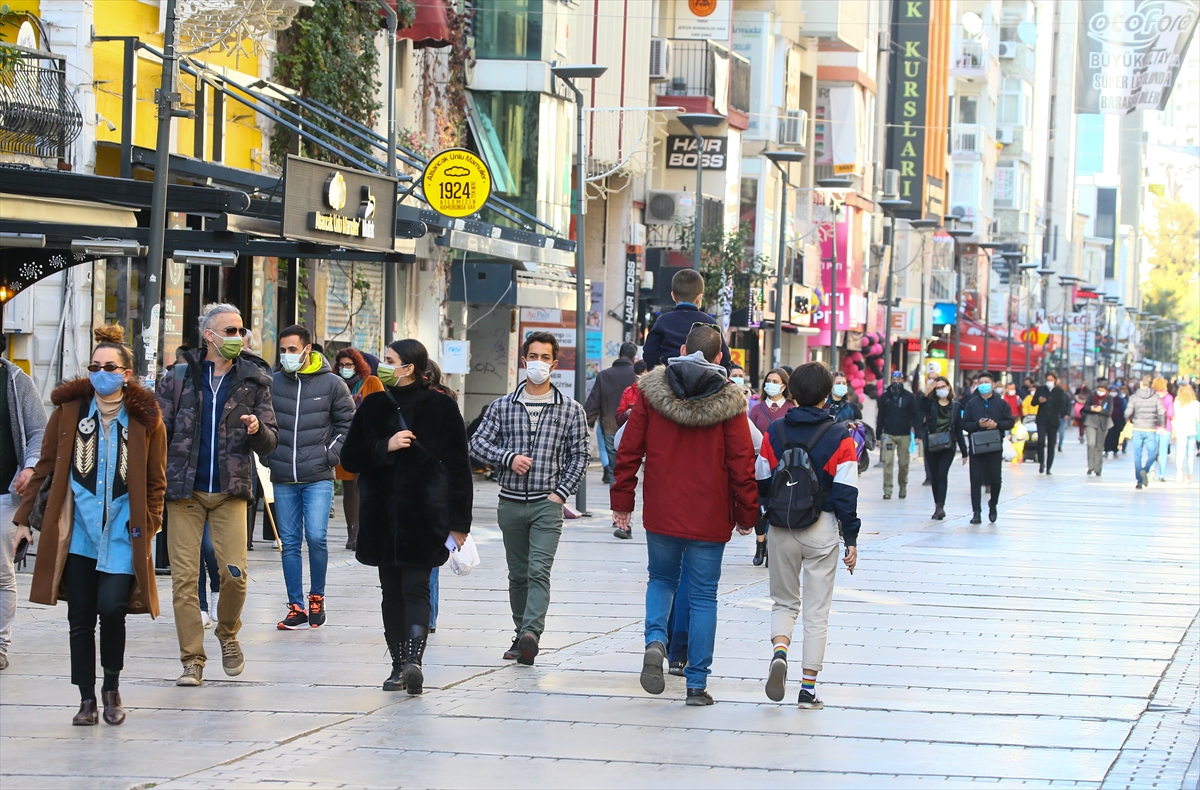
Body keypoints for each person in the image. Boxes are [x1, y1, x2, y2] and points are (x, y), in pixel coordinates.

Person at [14, 325, 166, 725]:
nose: (101, 373)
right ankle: (86, 699)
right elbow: (44, 467)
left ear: (126, 374)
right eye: (95, 366)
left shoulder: (146, 419)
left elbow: (156, 481)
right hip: (77, 533)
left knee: (112, 607)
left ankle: (111, 686)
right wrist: (24, 521)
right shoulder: (69, 413)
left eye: (110, 366)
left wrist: (149, 523)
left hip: (122, 533)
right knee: (80, 616)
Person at [611, 324, 758, 706]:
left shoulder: (650, 391)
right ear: (720, 357)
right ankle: (696, 684)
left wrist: (623, 501)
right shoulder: (731, 399)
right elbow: (742, 462)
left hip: (662, 508)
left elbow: (629, 449)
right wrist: (747, 513)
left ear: (680, 348)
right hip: (710, 516)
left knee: (660, 579)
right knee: (704, 596)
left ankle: (656, 642)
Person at [339, 339, 472, 694]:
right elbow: (349, 457)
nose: (383, 365)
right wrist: (385, 446)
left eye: (389, 360)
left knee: (416, 588)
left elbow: (459, 469)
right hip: (382, 515)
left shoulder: (442, 407)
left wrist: (460, 524)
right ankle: (398, 665)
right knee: (391, 592)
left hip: (424, 516)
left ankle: (413, 662)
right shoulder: (373, 405)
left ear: (409, 367)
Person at [157, 303, 278, 687]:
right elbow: (158, 433)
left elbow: (271, 442)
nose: (238, 337)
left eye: (241, 330)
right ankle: (192, 660)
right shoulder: (177, 378)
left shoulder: (254, 380)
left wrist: (257, 428)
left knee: (235, 574)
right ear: (209, 335)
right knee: (184, 580)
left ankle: (227, 632)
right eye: (230, 330)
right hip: (185, 491)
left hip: (231, 491)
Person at [468, 331, 589, 665]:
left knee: (538, 571)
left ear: (555, 362)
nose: (538, 363)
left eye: (545, 357)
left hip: (546, 505)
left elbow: (580, 455)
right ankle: (520, 634)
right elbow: (476, 444)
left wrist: (560, 494)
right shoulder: (503, 406)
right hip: (510, 503)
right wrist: (508, 458)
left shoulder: (570, 410)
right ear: (524, 361)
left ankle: (532, 632)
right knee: (517, 574)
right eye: (532, 356)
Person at [756, 362, 860, 710]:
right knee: (817, 612)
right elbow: (846, 492)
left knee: (784, 602)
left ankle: (780, 651)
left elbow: (761, 480)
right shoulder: (840, 435)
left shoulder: (775, 431)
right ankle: (807, 689)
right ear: (827, 393)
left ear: (792, 392)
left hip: (782, 527)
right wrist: (852, 538)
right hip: (821, 528)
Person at [268, 326, 355, 630]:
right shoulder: (272, 382)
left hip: (318, 475)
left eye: (292, 350)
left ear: (307, 350)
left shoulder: (332, 384)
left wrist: (328, 456)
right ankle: (295, 606)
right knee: (289, 543)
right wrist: (269, 455)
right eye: (283, 350)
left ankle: (317, 595)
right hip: (282, 476)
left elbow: (349, 426)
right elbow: (264, 423)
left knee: (316, 536)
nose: (287, 356)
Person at [0, 336, 47, 672]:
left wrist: (30, 466)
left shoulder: (16, 381)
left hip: (5, 495)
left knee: (2, 573)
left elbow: (38, 432)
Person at [333, 348, 384, 551]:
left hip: (366, 441)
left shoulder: (371, 382)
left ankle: (361, 531)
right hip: (344, 441)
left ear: (358, 365)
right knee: (348, 489)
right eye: (342, 365)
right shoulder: (336, 383)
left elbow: (381, 409)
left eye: (349, 365)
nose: (345, 369)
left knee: (359, 486)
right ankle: (351, 531)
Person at [641, 269, 731, 370]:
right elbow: (725, 358)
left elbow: (649, 352)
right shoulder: (710, 323)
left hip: (670, 378)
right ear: (699, 298)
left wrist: (659, 371)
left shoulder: (663, 321)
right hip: (705, 379)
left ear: (673, 296)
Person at [961, 373, 1014, 524]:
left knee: (995, 479)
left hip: (994, 445)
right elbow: (965, 424)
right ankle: (976, 511)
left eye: (987, 382)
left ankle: (993, 504)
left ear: (993, 384)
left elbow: (1010, 422)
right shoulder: (972, 403)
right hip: (977, 445)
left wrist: (996, 425)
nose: (983, 385)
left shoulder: (1001, 403)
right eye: (981, 382)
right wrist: (978, 424)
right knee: (975, 479)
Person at [584, 343, 638, 490]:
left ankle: (615, 504)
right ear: (634, 358)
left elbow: (594, 401)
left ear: (619, 356)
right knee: (630, 469)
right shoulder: (638, 376)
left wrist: (585, 420)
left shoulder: (604, 375)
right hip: (633, 428)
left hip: (610, 427)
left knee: (615, 470)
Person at [922, 376, 969, 520]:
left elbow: (959, 430)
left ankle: (940, 506)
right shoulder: (930, 404)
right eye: (938, 388)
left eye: (943, 386)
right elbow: (919, 407)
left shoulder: (956, 407)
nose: (941, 390)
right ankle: (937, 504)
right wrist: (925, 393)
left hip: (949, 445)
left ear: (949, 387)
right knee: (935, 477)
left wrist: (964, 452)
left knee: (942, 475)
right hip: (932, 444)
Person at [876, 370, 922, 500]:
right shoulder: (885, 397)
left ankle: (903, 486)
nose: (896, 383)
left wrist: (918, 433)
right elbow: (880, 417)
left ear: (902, 381)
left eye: (899, 380)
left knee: (903, 463)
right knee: (888, 462)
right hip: (888, 434)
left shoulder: (909, 396)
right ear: (891, 381)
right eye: (894, 380)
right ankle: (887, 489)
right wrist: (878, 436)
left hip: (904, 434)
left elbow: (915, 415)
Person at [1126, 375, 1166, 489]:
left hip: (1138, 428)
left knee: (1137, 455)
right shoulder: (1156, 397)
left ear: (1141, 384)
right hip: (1150, 429)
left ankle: (1139, 480)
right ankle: (1145, 470)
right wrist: (1162, 425)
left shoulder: (1134, 397)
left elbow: (1127, 412)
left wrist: (1131, 419)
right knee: (1153, 454)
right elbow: (1162, 411)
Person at [1032, 372, 1068, 474]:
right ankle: (1041, 463)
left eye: (1051, 380)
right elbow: (1033, 402)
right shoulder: (1041, 389)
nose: (1049, 382)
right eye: (1048, 380)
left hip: (1053, 420)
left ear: (1055, 380)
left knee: (1051, 444)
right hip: (1042, 419)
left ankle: (1049, 467)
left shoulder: (1059, 391)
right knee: (1041, 441)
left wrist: (1061, 414)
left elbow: (1063, 405)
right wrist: (1039, 400)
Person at [1082, 383, 1113, 476]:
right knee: (1091, 444)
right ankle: (1090, 466)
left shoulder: (1109, 398)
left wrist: (1101, 410)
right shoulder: (1092, 396)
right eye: (1099, 389)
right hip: (1091, 421)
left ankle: (1098, 468)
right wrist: (1091, 408)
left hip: (1103, 423)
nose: (1100, 392)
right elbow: (1085, 407)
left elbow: (1109, 412)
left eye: (1103, 390)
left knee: (1099, 446)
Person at [750, 369, 794, 434]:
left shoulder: (792, 409)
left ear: (784, 386)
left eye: (775, 382)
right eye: (768, 381)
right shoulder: (756, 409)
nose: (770, 384)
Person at [1174, 385, 1198, 484]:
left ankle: (1179, 471)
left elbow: (1175, 415)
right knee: (1190, 453)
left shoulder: (1177, 403)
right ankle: (1189, 474)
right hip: (1191, 430)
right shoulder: (1195, 404)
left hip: (1180, 430)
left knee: (1180, 452)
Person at [1152, 378, 1175, 482]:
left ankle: (1151, 470)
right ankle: (1162, 474)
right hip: (1165, 427)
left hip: (1152, 426)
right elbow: (1170, 414)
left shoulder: (1152, 396)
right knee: (1163, 451)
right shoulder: (1169, 398)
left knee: (1152, 450)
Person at [615, 359, 648, 428]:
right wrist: (626, 414)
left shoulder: (657, 393)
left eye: (644, 377)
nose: (640, 381)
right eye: (638, 378)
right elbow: (618, 418)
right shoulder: (628, 392)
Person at [1106, 385, 1128, 458]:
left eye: (1115, 391)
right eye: (1112, 391)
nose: (1113, 393)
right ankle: (1107, 449)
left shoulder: (1121, 399)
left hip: (1119, 420)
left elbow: (1124, 408)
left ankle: (1115, 450)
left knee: (1117, 435)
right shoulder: (1107, 399)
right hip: (1108, 419)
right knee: (1108, 435)